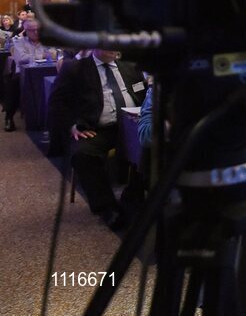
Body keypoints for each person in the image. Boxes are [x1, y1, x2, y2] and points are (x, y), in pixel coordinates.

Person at [48, 50, 145, 230]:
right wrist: (71, 125)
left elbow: (144, 93)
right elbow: (57, 103)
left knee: (158, 145)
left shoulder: (131, 67)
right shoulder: (75, 69)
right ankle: (107, 207)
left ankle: (133, 194)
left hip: (132, 125)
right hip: (96, 129)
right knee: (83, 154)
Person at [5, 19, 57, 131]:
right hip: (24, 74)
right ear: (26, 31)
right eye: (32, 30)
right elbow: (21, 59)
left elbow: (54, 55)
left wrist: (36, 56)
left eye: (38, 30)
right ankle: (9, 117)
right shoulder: (19, 41)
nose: (36, 32)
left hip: (46, 72)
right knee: (13, 85)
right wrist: (42, 56)